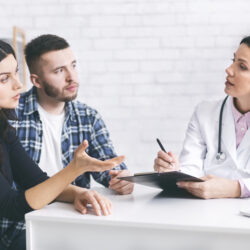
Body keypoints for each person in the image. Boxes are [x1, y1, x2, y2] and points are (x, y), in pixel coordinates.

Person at [0, 40, 124, 249]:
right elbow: (10, 206)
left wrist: (79, 193)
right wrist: (75, 169)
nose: (18, 84)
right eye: (4, 79)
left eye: (15, 73)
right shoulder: (15, 117)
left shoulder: (4, 128)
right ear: (37, 80)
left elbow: (36, 180)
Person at [10, 34, 133, 195]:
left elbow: (107, 164)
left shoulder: (88, 117)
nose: (72, 77)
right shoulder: (11, 114)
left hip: (73, 215)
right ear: (37, 81)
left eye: (73, 66)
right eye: (59, 70)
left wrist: (121, 179)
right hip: (23, 218)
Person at [154, 36, 250, 199]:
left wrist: (236, 188)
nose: (229, 69)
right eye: (233, 60)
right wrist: (175, 173)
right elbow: (191, 169)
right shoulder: (204, 112)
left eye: (242, 66)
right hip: (206, 215)